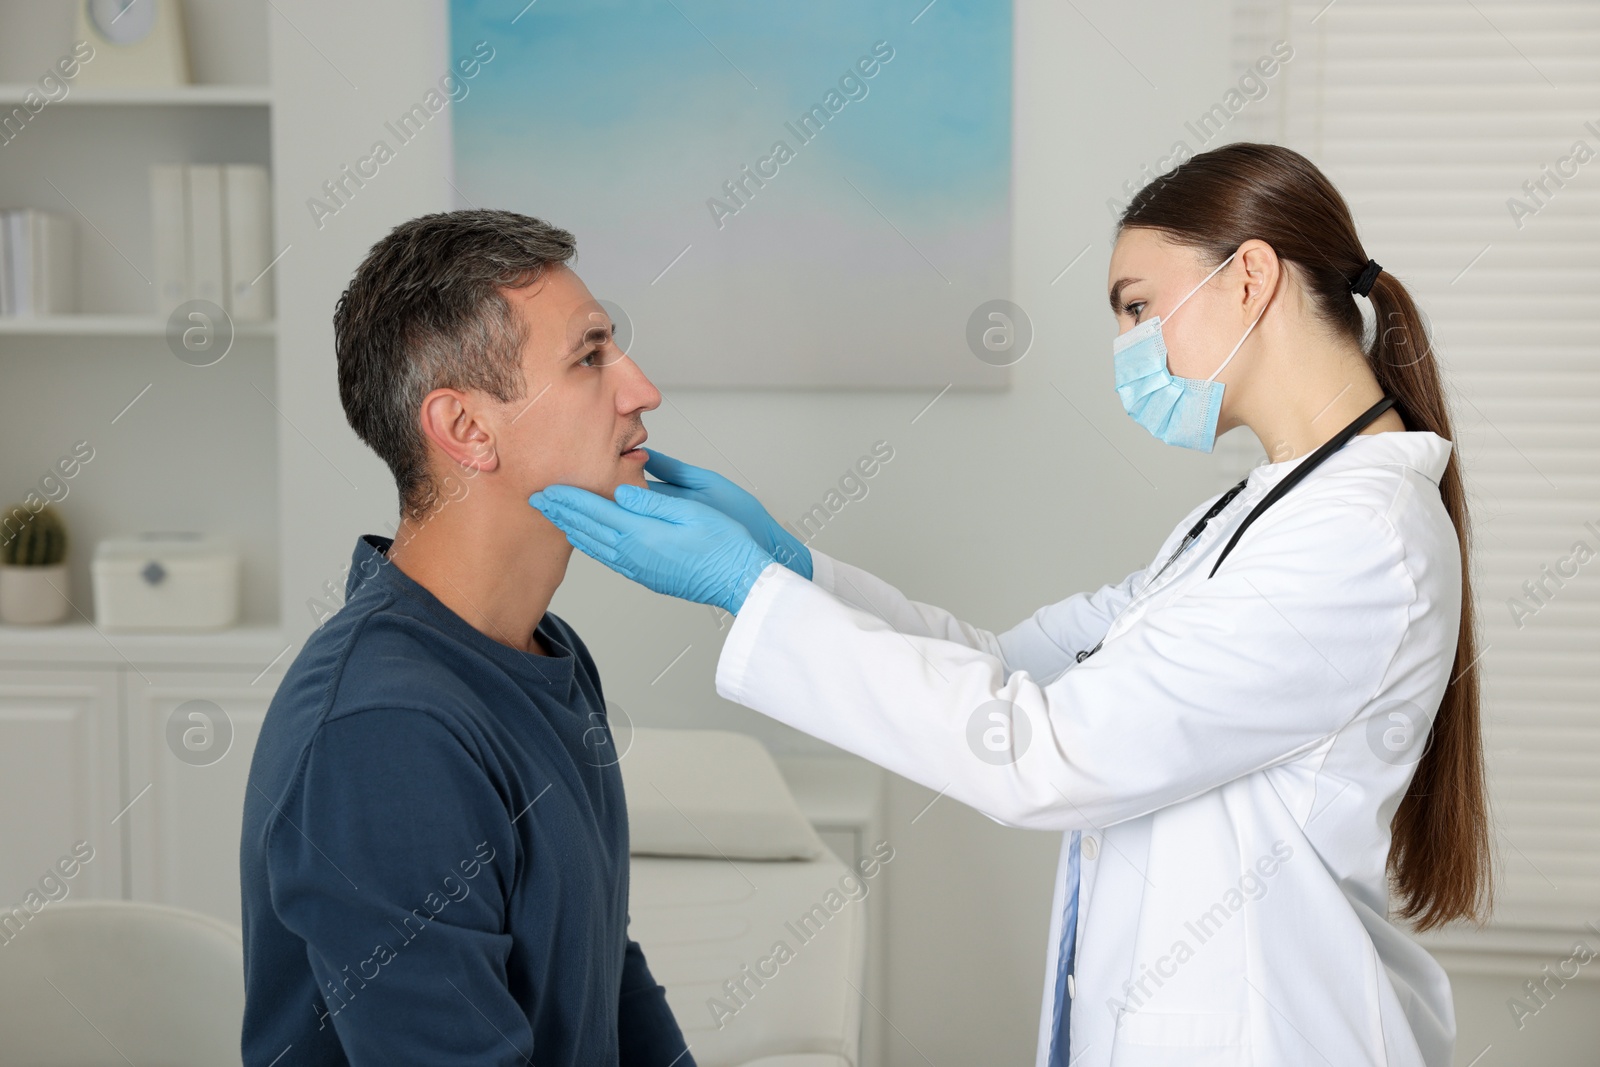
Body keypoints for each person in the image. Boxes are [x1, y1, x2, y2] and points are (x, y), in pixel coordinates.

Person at [529, 143, 1492, 1067]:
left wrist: (751, 590)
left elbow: (1050, 750)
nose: (1126, 347)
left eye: (1137, 306)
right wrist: (790, 570)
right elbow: (1013, 662)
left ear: (1249, 278)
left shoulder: (1356, 542)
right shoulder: (1253, 515)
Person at [240, 209, 695, 1066]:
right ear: (467, 430)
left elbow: (604, 967)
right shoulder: (385, 732)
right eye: (590, 357)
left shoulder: (543, 651)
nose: (640, 389)